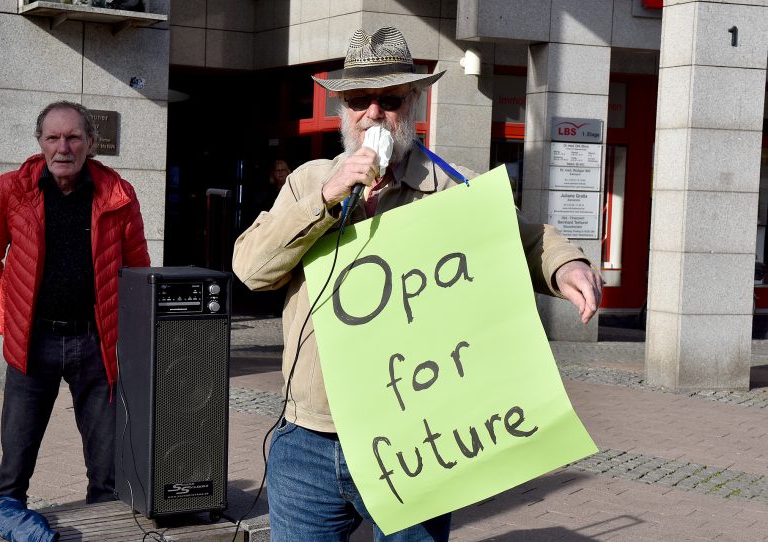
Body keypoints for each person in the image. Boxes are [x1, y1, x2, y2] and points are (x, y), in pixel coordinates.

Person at [232, 27, 604, 541]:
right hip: (310, 441)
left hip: (415, 440)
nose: (374, 113)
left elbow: (524, 240)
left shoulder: (452, 186)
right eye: (359, 99)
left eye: (390, 99)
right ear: (342, 108)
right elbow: (252, 268)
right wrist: (328, 195)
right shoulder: (307, 181)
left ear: (413, 103)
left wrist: (565, 264)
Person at [0, 101, 150, 505]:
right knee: (13, 467)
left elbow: (138, 273)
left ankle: (104, 530)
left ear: (90, 142)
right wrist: (6, 320)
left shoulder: (118, 194)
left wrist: (131, 337)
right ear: (40, 142)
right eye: (53, 137)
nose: (62, 147)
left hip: (96, 345)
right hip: (32, 344)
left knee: (107, 472)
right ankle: (7, 516)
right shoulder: (10, 189)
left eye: (72, 137)